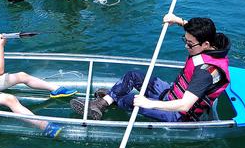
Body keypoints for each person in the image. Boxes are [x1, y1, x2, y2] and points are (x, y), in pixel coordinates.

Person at [71, 14, 231, 121]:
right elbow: (195, 30)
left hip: (178, 114)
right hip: (170, 93)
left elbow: (185, 105)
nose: (186, 47)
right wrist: (179, 21)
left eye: (189, 44)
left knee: (131, 100)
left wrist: (148, 103)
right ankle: (103, 102)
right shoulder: (207, 40)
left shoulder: (207, 72)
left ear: (206, 44)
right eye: (185, 40)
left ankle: (113, 100)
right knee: (133, 75)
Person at [0, 14, 77, 138]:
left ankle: (55, 89)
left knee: (22, 76)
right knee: (10, 99)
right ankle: (45, 127)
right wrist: (1, 47)